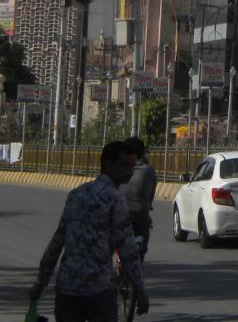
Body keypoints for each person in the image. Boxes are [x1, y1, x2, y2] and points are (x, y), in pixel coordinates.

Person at [29, 140, 150, 320]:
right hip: (99, 290)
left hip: (67, 287)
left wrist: (40, 283)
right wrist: (139, 290)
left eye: (132, 166)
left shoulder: (77, 194)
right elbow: (128, 249)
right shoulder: (115, 200)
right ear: (108, 164)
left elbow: (56, 244)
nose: (129, 172)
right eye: (124, 165)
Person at [121, 137, 157, 262]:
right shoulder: (149, 170)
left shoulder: (118, 169)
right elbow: (150, 197)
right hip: (141, 215)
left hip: (120, 216)